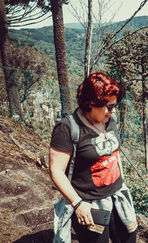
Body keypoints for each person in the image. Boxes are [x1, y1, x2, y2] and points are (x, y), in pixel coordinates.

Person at [49, 72, 137, 243]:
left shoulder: (111, 120)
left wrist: (122, 181)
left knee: (128, 239)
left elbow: (115, 152)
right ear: (91, 103)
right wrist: (77, 204)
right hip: (89, 204)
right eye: (109, 107)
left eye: (115, 105)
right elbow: (56, 171)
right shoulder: (68, 129)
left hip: (117, 196)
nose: (113, 111)